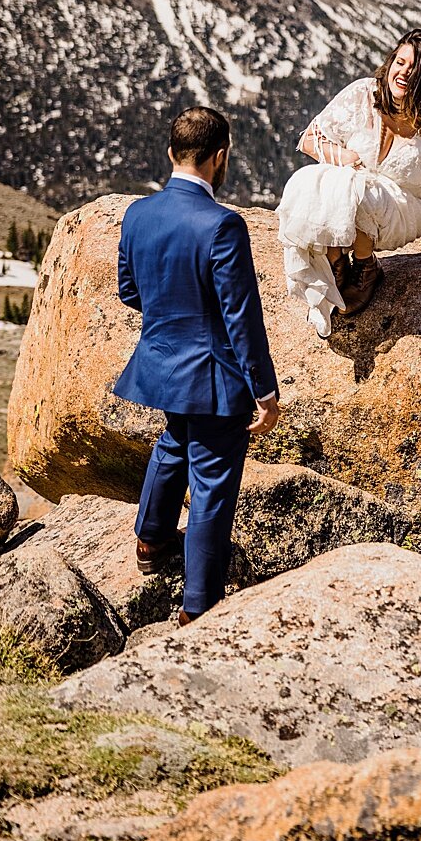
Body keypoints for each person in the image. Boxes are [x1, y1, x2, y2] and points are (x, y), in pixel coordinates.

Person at [114, 106, 279, 625]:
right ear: (220, 157)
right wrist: (265, 390)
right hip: (212, 375)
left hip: (161, 364)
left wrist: (174, 318)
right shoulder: (222, 225)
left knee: (174, 442)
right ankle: (199, 607)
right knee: (212, 482)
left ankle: (151, 541)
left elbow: (128, 289)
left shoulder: (138, 214)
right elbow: (241, 316)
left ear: (171, 153)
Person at [277, 28, 421, 338]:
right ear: (391, 62)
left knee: (361, 189)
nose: (403, 72)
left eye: (414, 68)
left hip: (403, 209)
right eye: (400, 61)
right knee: (309, 179)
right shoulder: (364, 93)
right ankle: (336, 263)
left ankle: (365, 268)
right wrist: (346, 156)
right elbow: (311, 139)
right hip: (355, 198)